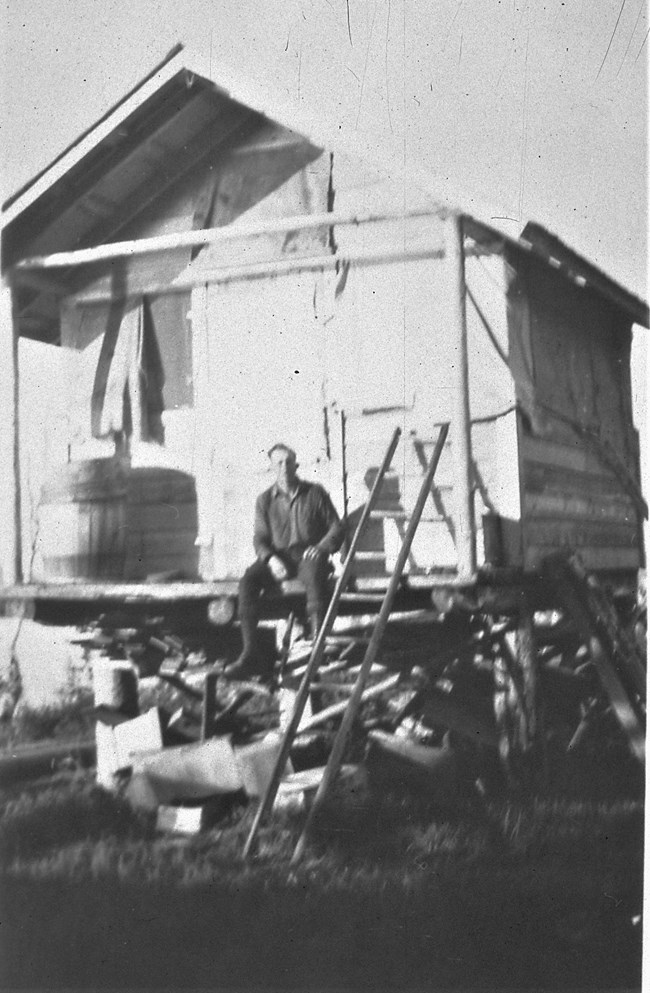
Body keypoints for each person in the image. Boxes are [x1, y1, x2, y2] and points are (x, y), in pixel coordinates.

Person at [224, 443, 345, 680]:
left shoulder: (315, 493)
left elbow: (336, 527)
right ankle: (250, 654)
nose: (284, 467)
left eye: (289, 462)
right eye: (279, 463)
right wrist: (269, 560)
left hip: (308, 555)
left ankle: (318, 645)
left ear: (296, 465)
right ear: (271, 467)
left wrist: (321, 548)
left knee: (312, 576)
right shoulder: (264, 500)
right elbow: (259, 538)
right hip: (280, 558)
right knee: (248, 581)